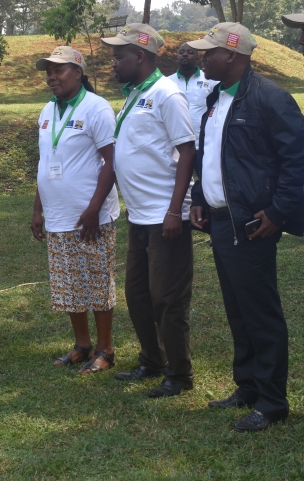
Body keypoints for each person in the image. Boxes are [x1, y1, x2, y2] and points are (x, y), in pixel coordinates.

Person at [187, 22, 304, 432]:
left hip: (254, 224)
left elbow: (297, 161)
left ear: (232, 55)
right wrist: (200, 197)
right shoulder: (216, 97)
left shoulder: (270, 99)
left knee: (260, 312)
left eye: (209, 52)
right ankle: (248, 385)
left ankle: (272, 402)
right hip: (222, 221)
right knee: (237, 309)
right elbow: (209, 157)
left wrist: (278, 211)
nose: (202, 58)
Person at [101, 24, 196, 398]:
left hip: (165, 218)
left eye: (119, 56)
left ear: (139, 56)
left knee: (167, 299)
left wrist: (174, 211)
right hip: (139, 216)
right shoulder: (135, 94)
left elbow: (186, 152)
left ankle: (179, 374)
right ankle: (152, 360)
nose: (113, 63)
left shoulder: (167, 94)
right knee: (138, 294)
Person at [30, 47, 120, 375]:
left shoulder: (97, 108)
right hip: (58, 215)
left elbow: (112, 162)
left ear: (78, 73)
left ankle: (106, 349)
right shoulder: (47, 111)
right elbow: (45, 162)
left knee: (97, 283)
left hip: (90, 217)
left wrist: (94, 208)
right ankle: (82, 345)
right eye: (48, 72)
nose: (51, 77)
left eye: (59, 70)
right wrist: (38, 209)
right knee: (68, 285)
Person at [168, 43, 219, 146]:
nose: (185, 54)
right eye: (181, 52)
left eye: (190, 52)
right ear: (177, 58)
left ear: (197, 58)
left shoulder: (210, 79)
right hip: (174, 142)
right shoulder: (167, 82)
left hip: (202, 141)